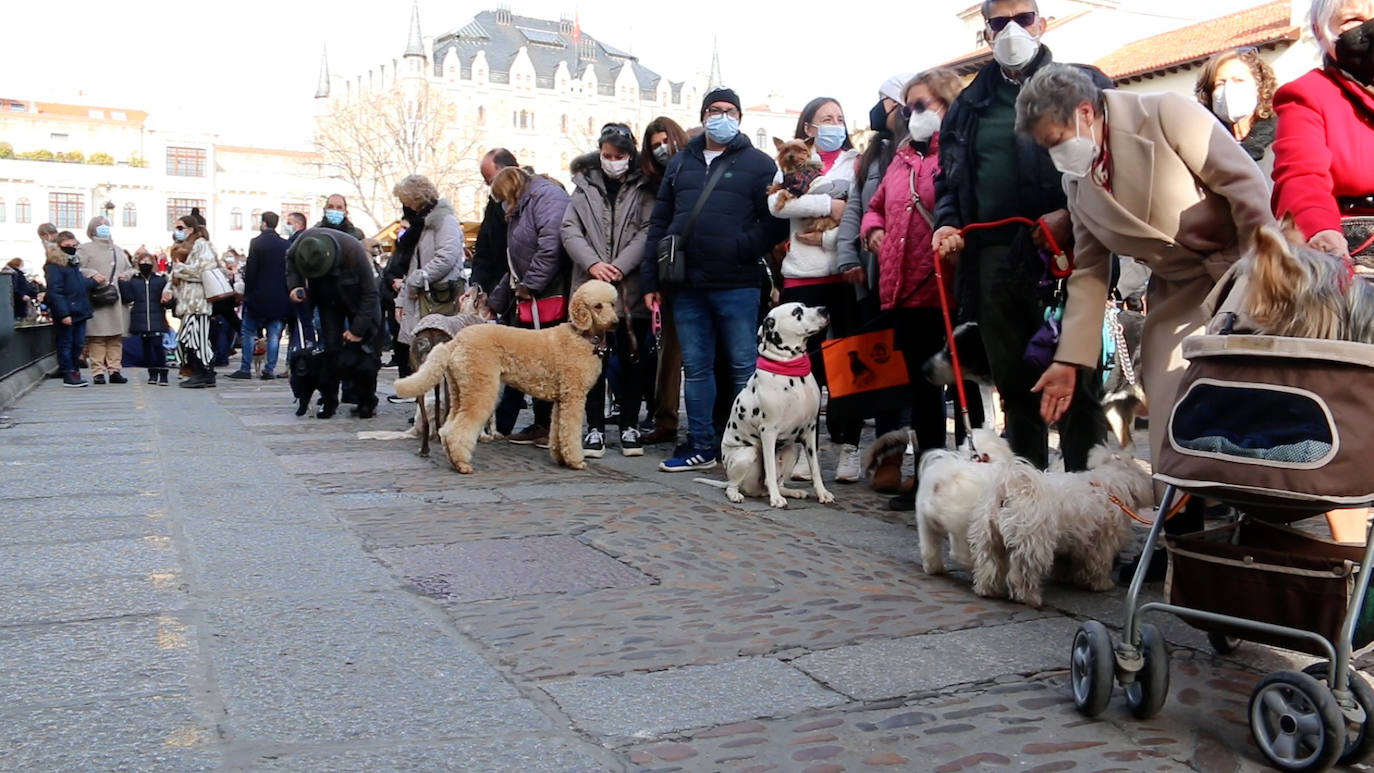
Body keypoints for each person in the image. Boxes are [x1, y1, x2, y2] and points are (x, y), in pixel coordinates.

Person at [1015, 64, 1274, 539]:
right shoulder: (1078, 181)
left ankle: (1265, 527)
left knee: (1256, 404)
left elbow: (1246, 190)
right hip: (1177, 291)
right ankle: (1180, 532)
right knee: (1171, 409)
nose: (1055, 155)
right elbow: (1090, 274)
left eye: (1055, 141)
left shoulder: (1167, 114)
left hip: (1247, 271)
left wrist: (1263, 277)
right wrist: (1069, 360)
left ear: (1085, 112)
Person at [931, 0, 1111, 472]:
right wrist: (946, 222)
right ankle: (1026, 504)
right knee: (1012, 383)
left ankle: (1085, 510)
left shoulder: (1084, 83)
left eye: (1023, 18)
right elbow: (947, 180)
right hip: (991, 257)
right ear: (986, 33)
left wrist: (1071, 216)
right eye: (999, 22)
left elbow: (1110, 161)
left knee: (1076, 376)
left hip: (1069, 252)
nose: (1013, 29)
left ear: (1041, 22)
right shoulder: (968, 105)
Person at [641, 87, 790, 472]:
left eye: (729, 111)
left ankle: (746, 445)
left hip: (737, 282)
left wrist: (743, 246)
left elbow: (775, 221)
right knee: (697, 366)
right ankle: (702, 443)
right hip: (687, 282)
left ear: (739, 117)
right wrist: (650, 280)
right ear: (704, 115)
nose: (721, 117)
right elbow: (659, 222)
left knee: (743, 366)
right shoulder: (679, 164)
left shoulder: (759, 164)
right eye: (714, 110)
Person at [861, 69, 987, 510]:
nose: (911, 113)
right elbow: (876, 206)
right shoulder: (900, 159)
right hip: (906, 291)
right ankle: (930, 480)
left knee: (967, 388)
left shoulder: (959, 155)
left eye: (922, 104)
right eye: (909, 104)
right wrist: (872, 229)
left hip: (948, 291)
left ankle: (975, 476)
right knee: (922, 392)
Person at [766, 97, 865, 481]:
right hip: (801, 278)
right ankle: (804, 452)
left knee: (849, 368)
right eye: (826, 118)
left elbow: (858, 209)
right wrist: (830, 203)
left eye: (840, 118)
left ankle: (849, 448)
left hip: (843, 273)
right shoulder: (792, 164)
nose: (834, 124)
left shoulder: (855, 162)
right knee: (805, 371)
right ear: (808, 127)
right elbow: (778, 207)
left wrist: (826, 238)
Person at [562, 123, 656, 457]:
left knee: (632, 358)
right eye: (607, 155)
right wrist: (593, 265)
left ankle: (630, 423)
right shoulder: (583, 186)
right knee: (590, 360)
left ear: (630, 156)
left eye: (618, 156)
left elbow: (648, 230)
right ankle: (595, 427)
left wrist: (620, 265)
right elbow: (570, 229)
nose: (612, 161)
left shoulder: (644, 186)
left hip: (628, 289)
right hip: (589, 286)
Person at [1271, 0, 1374, 261]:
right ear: (1320, 32)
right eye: (1353, 21)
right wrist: (1321, 231)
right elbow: (1300, 176)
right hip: (1357, 251)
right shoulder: (1307, 94)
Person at [487, 167, 572, 446]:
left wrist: (531, 284)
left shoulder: (545, 199)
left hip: (548, 295)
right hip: (531, 295)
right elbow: (516, 261)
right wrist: (498, 300)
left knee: (547, 361)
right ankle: (539, 423)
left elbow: (551, 247)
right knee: (531, 360)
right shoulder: (524, 206)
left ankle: (549, 425)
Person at [287, 228, 386, 419]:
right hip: (327, 301)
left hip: (357, 300)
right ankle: (330, 399)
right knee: (331, 353)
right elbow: (290, 262)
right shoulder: (303, 244)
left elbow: (370, 294)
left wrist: (357, 330)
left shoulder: (353, 250)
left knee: (364, 356)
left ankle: (366, 401)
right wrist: (295, 285)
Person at [637, 117, 691, 447]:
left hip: (705, 272)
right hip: (670, 274)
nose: (661, 150)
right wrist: (650, 282)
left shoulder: (696, 168)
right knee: (668, 355)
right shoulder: (651, 184)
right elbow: (652, 233)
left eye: (665, 142)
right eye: (654, 144)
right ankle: (665, 419)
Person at [390, 174, 466, 389]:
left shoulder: (443, 222)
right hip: (423, 297)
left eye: (407, 200)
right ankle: (428, 407)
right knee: (424, 354)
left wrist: (418, 278)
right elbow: (413, 264)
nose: (405, 205)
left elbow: (447, 257)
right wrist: (402, 299)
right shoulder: (420, 226)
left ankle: (440, 405)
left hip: (439, 298)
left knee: (438, 351)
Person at [1193, 48, 1278, 175]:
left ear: (1259, 88)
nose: (1229, 90)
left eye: (1239, 80)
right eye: (1220, 84)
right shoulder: (1203, 147)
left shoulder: (1283, 139)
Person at [230, 211, 291, 380]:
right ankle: (269, 369)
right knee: (274, 334)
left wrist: (247, 294)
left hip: (257, 296)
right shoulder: (285, 245)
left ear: (263, 223)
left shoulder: (257, 243)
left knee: (248, 331)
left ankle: (245, 368)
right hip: (279, 297)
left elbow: (251, 271)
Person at [76, 216, 132, 384]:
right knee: (97, 337)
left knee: (116, 337)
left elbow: (130, 268)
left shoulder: (118, 249)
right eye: (100, 226)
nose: (104, 228)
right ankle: (98, 371)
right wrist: (92, 273)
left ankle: (115, 370)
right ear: (92, 229)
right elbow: (77, 268)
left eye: (106, 225)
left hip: (116, 299)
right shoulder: (85, 249)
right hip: (97, 297)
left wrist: (126, 275)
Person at [168, 214, 223, 388]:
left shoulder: (202, 245)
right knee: (194, 338)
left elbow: (204, 270)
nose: (177, 231)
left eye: (180, 228)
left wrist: (180, 269)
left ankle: (201, 373)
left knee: (196, 338)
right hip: (190, 302)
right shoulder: (190, 246)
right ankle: (204, 373)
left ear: (191, 229)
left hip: (197, 301)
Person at [44, 232, 105, 387]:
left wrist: (92, 282)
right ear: (60, 246)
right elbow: (55, 291)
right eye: (68, 245)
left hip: (80, 310)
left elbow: (78, 286)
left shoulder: (73, 264)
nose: (72, 248)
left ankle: (74, 370)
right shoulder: (54, 265)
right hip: (67, 311)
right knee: (66, 343)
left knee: (78, 343)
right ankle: (68, 373)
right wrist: (64, 313)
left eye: (74, 245)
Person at [468, 148, 520, 296]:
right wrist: (477, 286)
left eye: (491, 181)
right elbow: (483, 249)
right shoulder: (494, 205)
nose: (490, 187)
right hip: (500, 288)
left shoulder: (535, 199)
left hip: (528, 291)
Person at [118, 251, 173, 385]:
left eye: (148, 262)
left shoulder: (160, 280)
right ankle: (152, 374)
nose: (145, 265)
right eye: (143, 262)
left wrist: (168, 298)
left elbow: (169, 302)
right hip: (139, 318)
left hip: (157, 318)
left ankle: (163, 372)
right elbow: (128, 298)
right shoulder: (133, 280)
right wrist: (123, 283)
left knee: (158, 347)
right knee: (146, 348)